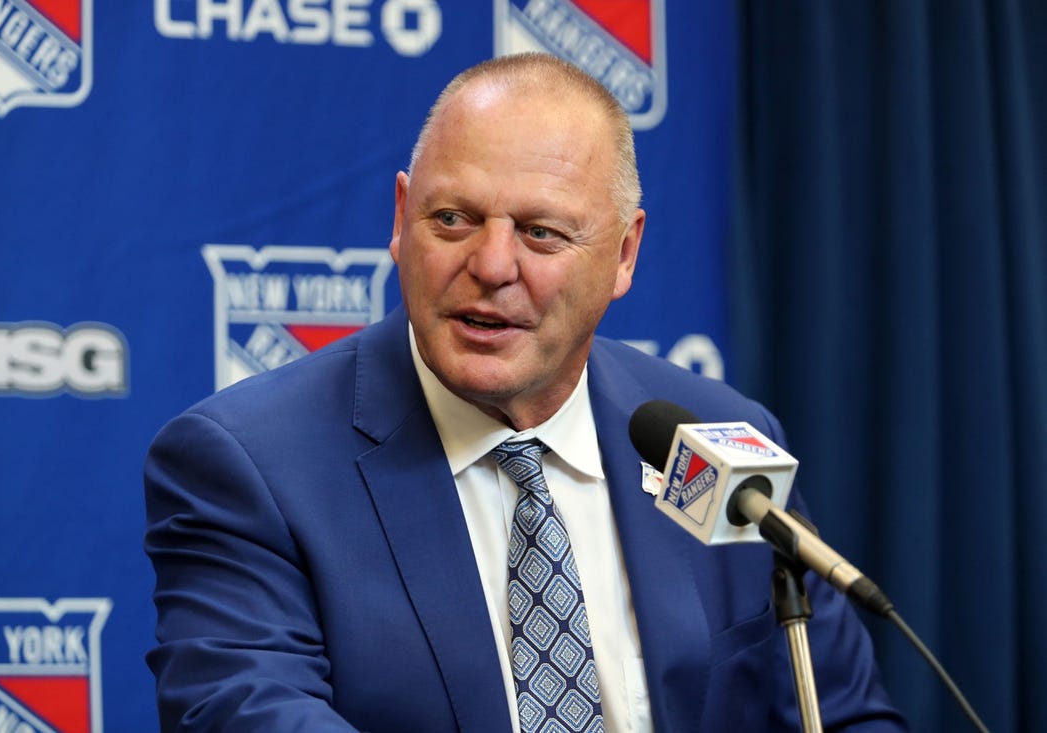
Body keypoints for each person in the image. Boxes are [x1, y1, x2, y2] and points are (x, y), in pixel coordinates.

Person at [144, 52, 905, 732]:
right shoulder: (251, 464)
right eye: (453, 218)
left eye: (541, 232)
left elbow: (837, 712)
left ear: (624, 253)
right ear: (401, 220)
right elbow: (243, 708)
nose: (492, 263)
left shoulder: (716, 436)